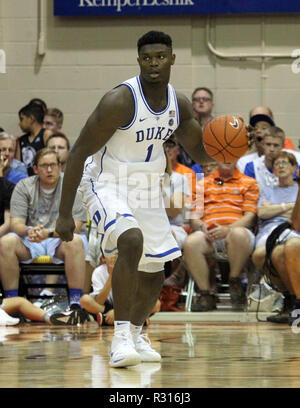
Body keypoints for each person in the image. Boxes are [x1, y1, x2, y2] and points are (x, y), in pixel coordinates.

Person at [55, 30, 212, 368]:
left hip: (146, 186)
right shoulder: (120, 100)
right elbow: (80, 150)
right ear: (138, 60)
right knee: (131, 240)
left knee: (156, 269)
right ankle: (121, 336)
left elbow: (202, 152)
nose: (153, 63)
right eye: (147, 58)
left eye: (160, 57)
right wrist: (65, 213)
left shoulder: (178, 104)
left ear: (172, 59)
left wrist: (231, 142)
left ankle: (138, 333)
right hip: (106, 182)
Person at [0, 148, 89, 325]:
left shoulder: (71, 187)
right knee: (6, 241)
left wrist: (48, 233)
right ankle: (12, 306)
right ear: (35, 169)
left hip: (60, 238)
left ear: (60, 167)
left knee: (75, 242)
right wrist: (28, 231)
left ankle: (75, 304)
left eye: (53, 165)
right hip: (31, 238)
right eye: (44, 166)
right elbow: (15, 223)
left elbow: (76, 226)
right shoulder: (24, 186)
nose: (49, 170)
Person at [183, 161, 259, 311]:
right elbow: (193, 217)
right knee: (191, 242)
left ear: (236, 159)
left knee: (238, 234)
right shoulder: (201, 184)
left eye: (229, 158)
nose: (226, 161)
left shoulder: (249, 182)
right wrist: (202, 227)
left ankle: (234, 281)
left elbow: (250, 217)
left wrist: (228, 229)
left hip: (238, 231)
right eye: (222, 158)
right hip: (209, 234)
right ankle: (206, 294)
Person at [252, 151, 300, 323]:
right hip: (270, 231)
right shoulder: (267, 190)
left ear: (294, 168)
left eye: (285, 163)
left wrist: (275, 208)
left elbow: (295, 218)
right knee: (259, 255)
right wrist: (288, 206)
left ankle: (294, 301)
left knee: (285, 250)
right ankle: (289, 298)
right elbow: (262, 212)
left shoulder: (298, 188)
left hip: (291, 229)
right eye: (277, 163)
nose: (280, 166)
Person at [80, 254, 161, 328]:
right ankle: (133, 320)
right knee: (85, 300)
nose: (114, 256)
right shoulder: (98, 272)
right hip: (105, 307)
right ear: (103, 258)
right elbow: (99, 301)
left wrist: (118, 312)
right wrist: (112, 274)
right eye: (110, 253)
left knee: (156, 303)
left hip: (128, 307)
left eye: (118, 253)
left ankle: (107, 320)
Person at [244, 127, 300, 191]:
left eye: (276, 145)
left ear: (283, 146)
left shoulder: (293, 166)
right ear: (262, 144)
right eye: (268, 144)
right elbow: (246, 193)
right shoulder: (252, 167)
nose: (271, 149)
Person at [16, 102, 49, 176]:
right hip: (26, 181)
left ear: (31, 119)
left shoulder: (46, 135)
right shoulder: (21, 140)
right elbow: (18, 165)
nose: (19, 123)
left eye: (22, 119)